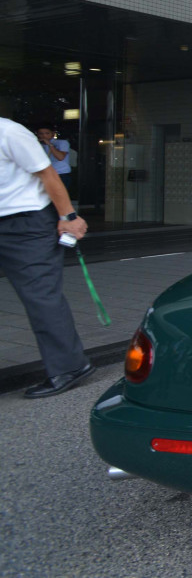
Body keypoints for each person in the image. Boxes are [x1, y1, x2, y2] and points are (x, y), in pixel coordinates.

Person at [0, 117, 94, 398]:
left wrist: (68, 217)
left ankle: (69, 366)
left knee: (40, 297)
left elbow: (49, 175)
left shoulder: (9, 132)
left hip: (26, 223)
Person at [34, 125, 72, 195]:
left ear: (53, 133)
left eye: (47, 133)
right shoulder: (38, 144)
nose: (44, 136)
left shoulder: (62, 142)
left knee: (58, 196)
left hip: (61, 174)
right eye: (41, 133)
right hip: (45, 174)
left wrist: (50, 145)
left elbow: (60, 157)